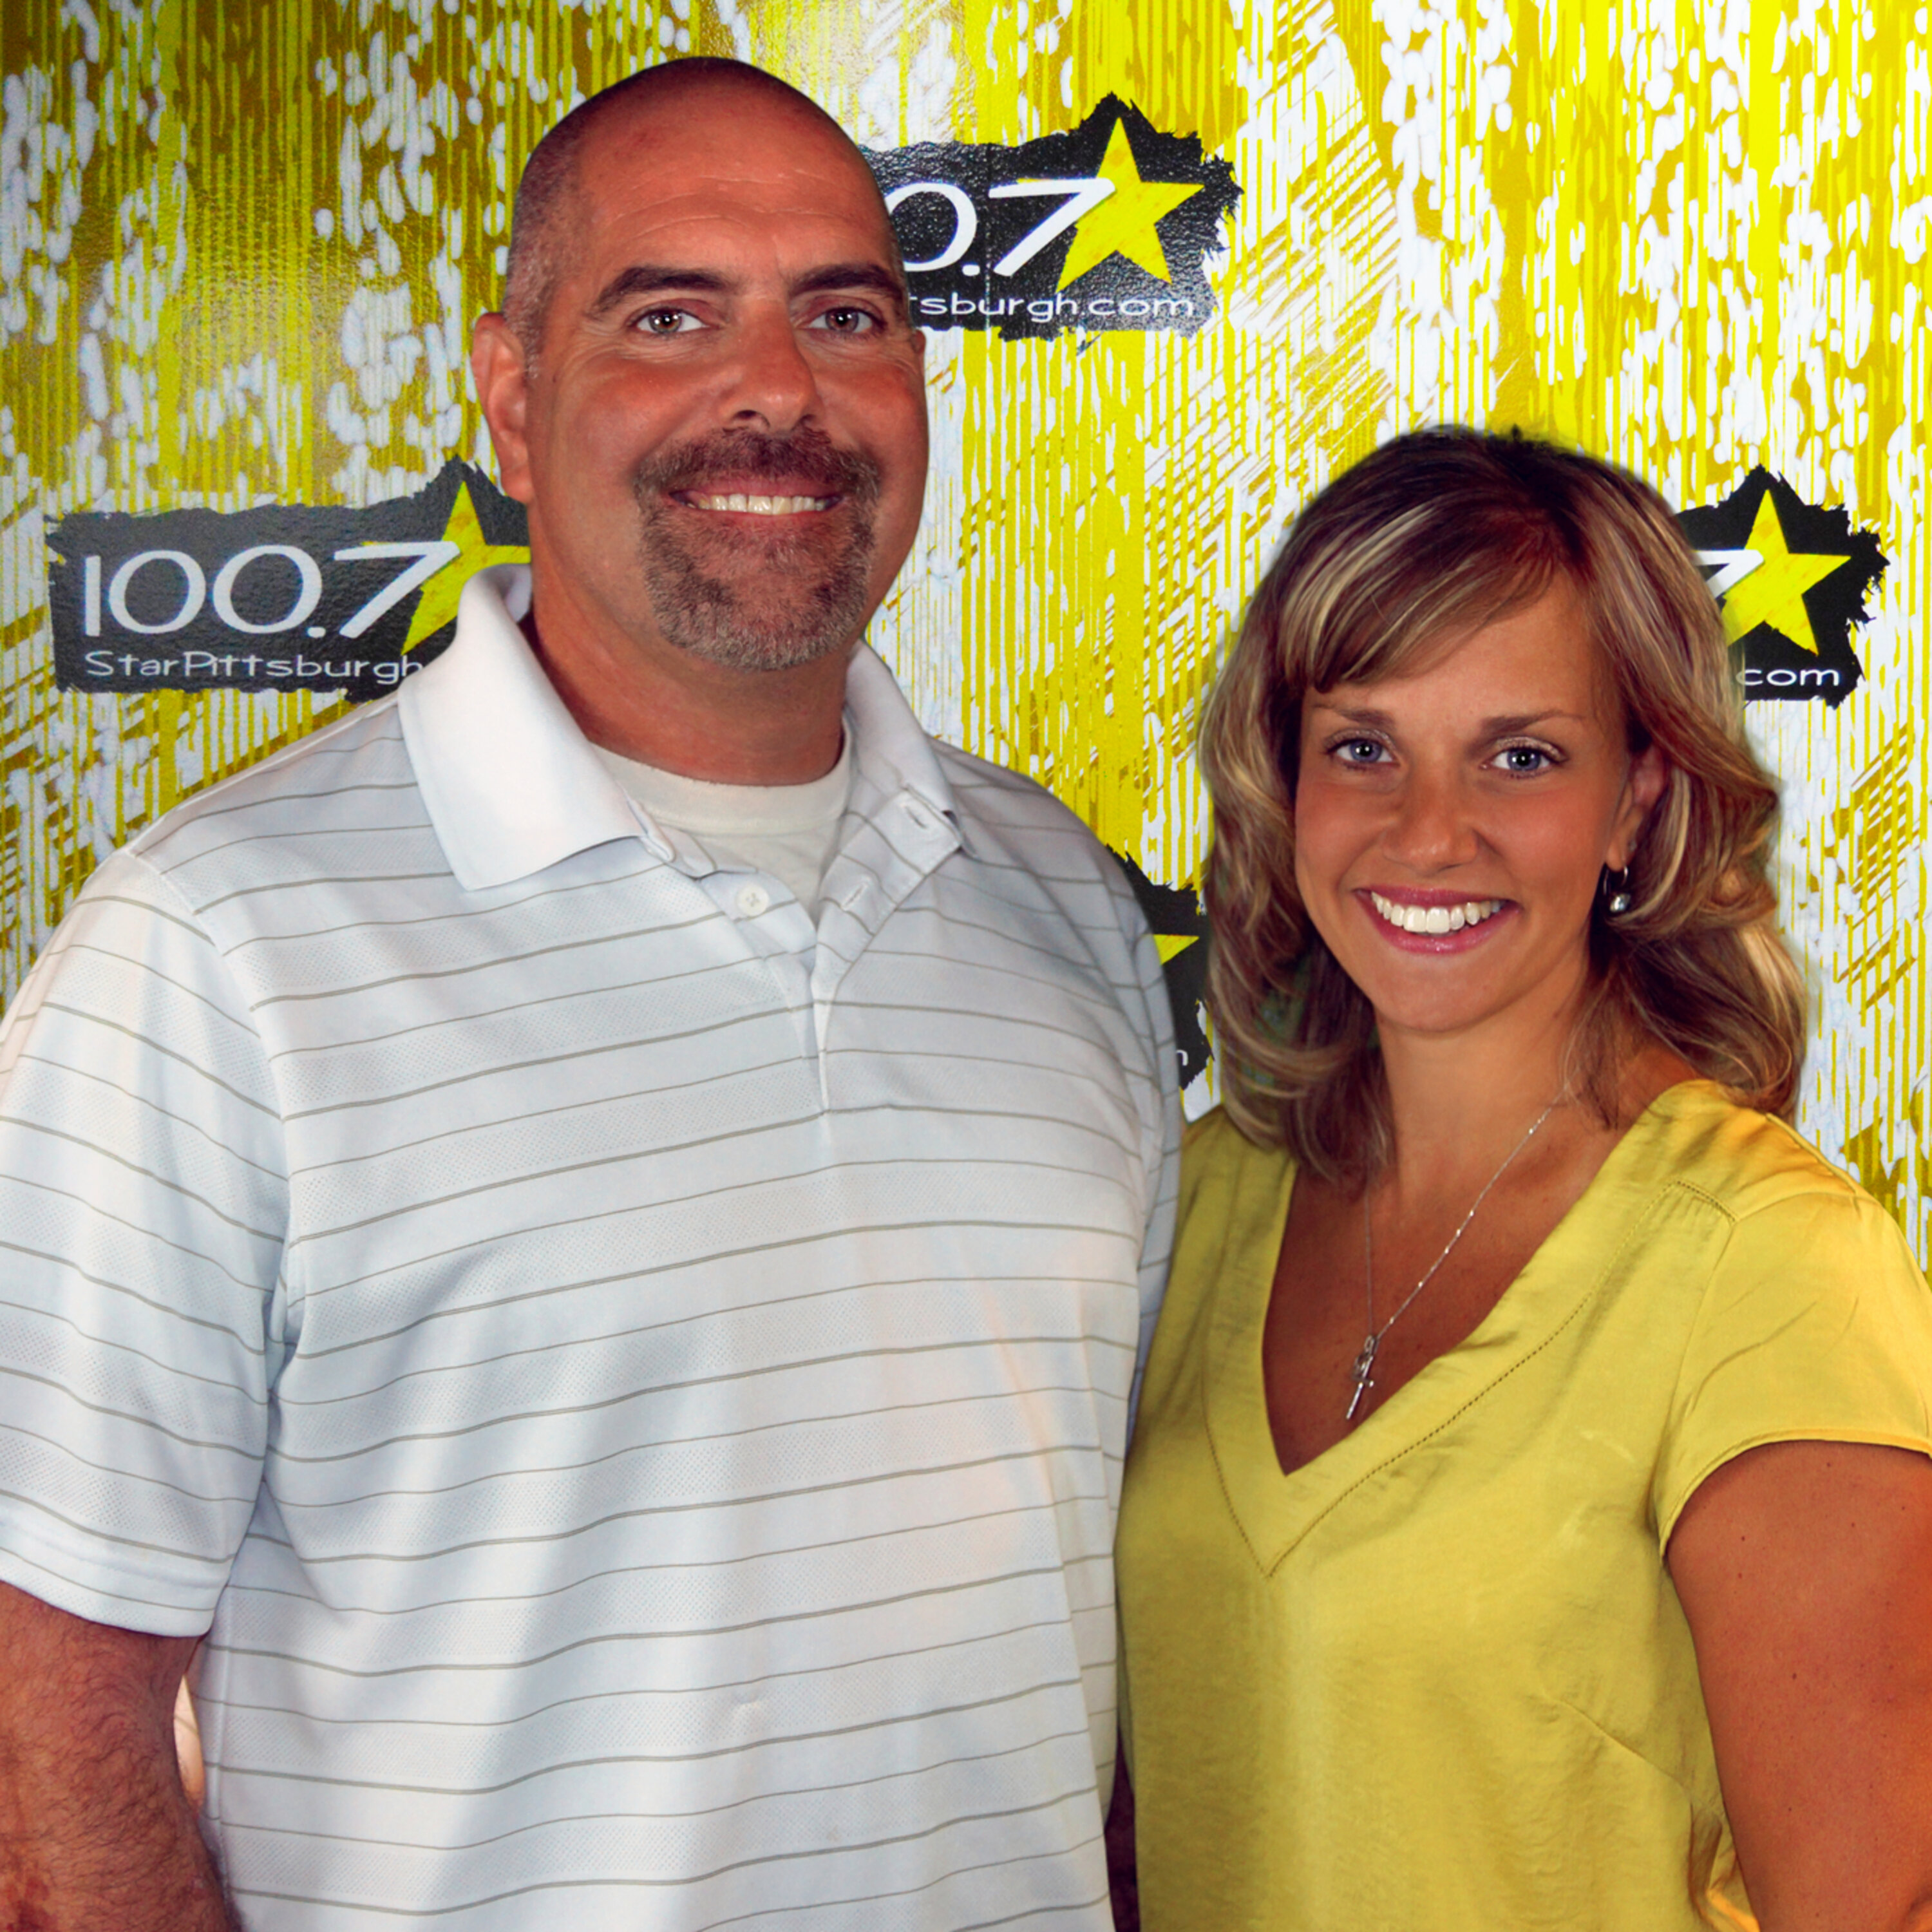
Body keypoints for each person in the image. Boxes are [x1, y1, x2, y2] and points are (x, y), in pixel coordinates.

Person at [0, 58, 1177, 1932]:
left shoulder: (1063, 907)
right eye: (669, 315)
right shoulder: (217, 950)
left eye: (847, 316)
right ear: (509, 394)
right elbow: (47, 1742)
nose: (777, 390)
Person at [1114, 428, 1932, 1931]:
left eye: (1522, 756)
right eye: (1364, 746)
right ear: (1284, 779)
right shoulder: (1191, 1202)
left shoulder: (1766, 1264)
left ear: (1638, 799)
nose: (1430, 833)